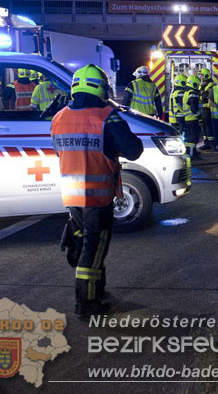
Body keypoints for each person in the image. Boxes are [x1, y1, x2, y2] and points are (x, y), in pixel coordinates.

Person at [50, 64, 143, 315]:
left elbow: (61, 151)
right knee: (95, 247)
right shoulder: (106, 115)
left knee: (86, 242)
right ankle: (86, 303)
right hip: (97, 195)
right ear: (100, 87)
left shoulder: (59, 117)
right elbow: (133, 149)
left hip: (71, 194)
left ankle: (96, 289)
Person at [183, 75, 202, 157]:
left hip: (188, 118)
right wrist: (199, 116)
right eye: (197, 85)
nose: (198, 87)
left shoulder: (187, 92)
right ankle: (191, 154)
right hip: (193, 118)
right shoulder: (192, 94)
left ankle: (191, 151)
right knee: (193, 137)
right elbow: (194, 108)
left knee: (189, 137)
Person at [198, 68, 215, 150]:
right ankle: (206, 142)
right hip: (203, 109)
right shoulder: (203, 85)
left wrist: (200, 92)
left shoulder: (210, 85)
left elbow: (204, 97)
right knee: (204, 127)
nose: (200, 77)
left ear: (206, 76)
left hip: (208, 109)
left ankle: (211, 144)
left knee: (208, 126)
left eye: (202, 75)